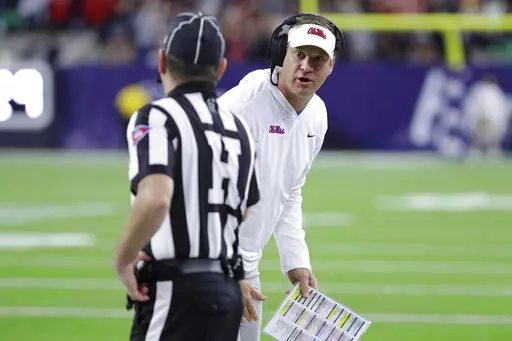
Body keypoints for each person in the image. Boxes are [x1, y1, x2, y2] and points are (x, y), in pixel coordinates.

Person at [113, 12, 260, 341]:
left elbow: (155, 199)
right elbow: (244, 209)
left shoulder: (156, 116)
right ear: (221, 68)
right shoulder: (239, 127)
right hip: (227, 289)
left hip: (175, 289)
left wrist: (123, 258)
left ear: (162, 61)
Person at [218, 13, 344, 341]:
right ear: (281, 55)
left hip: (242, 264)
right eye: (298, 55)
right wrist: (227, 270)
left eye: (318, 59)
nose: (306, 66)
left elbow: (290, 191)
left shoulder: (316, 114)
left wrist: (295, 261)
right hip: (208, 262)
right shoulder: (242, 108)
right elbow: (202, 191)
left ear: (330, 67)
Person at [463, 73, 510, 158]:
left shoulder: (477, 90)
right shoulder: (496, 92)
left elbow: (469, 109)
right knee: (490, 147)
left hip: (480, 122)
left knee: (478, 146)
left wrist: (471, 126)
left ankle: (476, 156)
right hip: (490, 123)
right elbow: (502, 112)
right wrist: (500, 128)